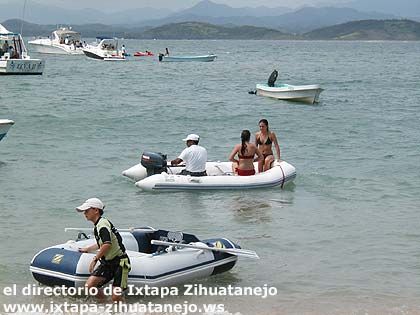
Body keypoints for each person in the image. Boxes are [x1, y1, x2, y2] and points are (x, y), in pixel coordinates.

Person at [77, 198, 131, 302]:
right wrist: (88, 249)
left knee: (116, 296)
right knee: (90, 286)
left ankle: (122, 310)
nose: (84, 213)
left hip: (121, 262)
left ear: (96, 210)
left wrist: (95, 259)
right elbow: (101, 243)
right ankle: (105, 304)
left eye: (87, 210)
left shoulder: (102, 225)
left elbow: (107, 244)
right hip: (108, 263)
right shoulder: (99, 225)